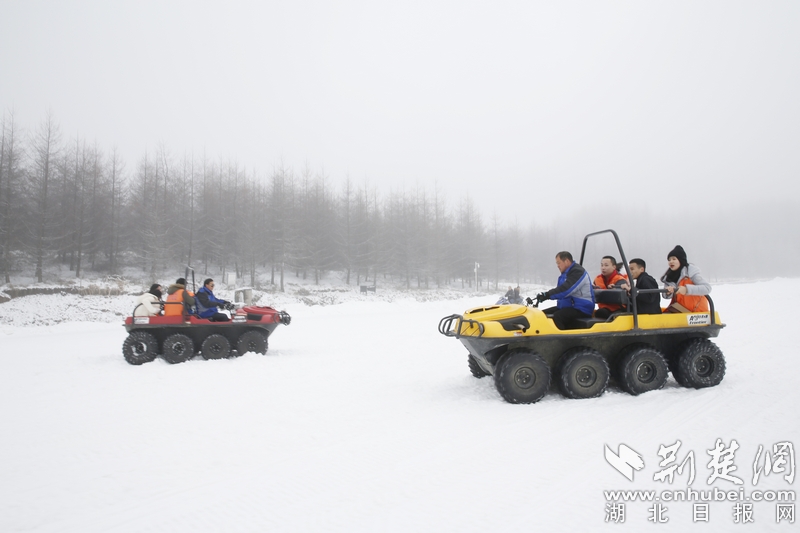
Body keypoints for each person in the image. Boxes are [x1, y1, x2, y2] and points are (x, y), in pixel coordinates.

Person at [530, 251, 595, 330]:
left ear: (567, 261)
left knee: (558, 316)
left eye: (559, 263)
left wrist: (547, 295)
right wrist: (543, 296)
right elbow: (561, 291)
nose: (557, 266)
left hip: (582, 308)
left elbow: (566, 290)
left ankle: (561, 341)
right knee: (541, 315)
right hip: (568, 307)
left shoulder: (578, 272)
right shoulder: (565, 274)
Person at [661, 245, 711, 313]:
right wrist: (668, 292)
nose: (671, 262)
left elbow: (707, 288)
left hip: (697, 312)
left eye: (674, 259)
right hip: (679, 309)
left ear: (681, 260)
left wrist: (686, 289)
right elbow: (666, 296)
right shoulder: (669, 277)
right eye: (669, 260)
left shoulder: (691, 273)